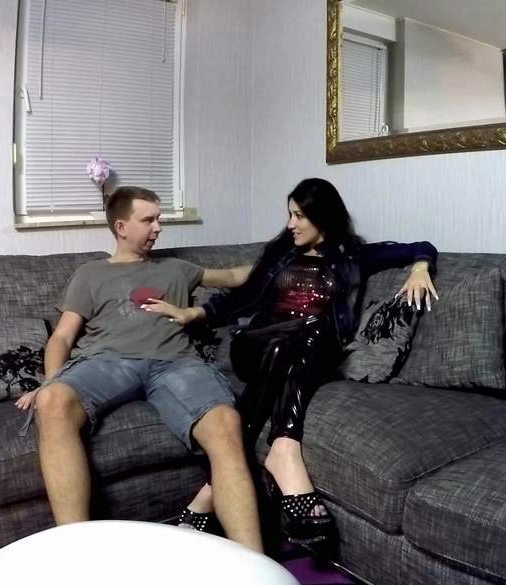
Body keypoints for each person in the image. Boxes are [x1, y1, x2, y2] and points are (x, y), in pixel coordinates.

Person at [141, 177, 438, 556]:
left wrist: (420, 269)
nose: (291, 224)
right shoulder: (280, 254)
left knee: (310, 332)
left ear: (322, 217)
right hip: (255, 346)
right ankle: (284, 451)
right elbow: (241, 297)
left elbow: (421, 247)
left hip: (309, 349)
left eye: (299, 216)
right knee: (302, 333)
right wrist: (193, 313)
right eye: (290, 215)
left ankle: (221, 485)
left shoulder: (353, 256)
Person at [14, 186, 262, 552]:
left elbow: (235, 276)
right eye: (148, 220)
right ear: (121, 227)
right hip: (107, 361)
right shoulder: (91, 274)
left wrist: (287, 256)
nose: (158, 227)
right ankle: (76, 554)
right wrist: (51, 381)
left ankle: (256, 564)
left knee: (226, 421)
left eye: (159, 219)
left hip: (175, 363)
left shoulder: (177, 268)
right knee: (51, 402)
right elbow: (62, 338)